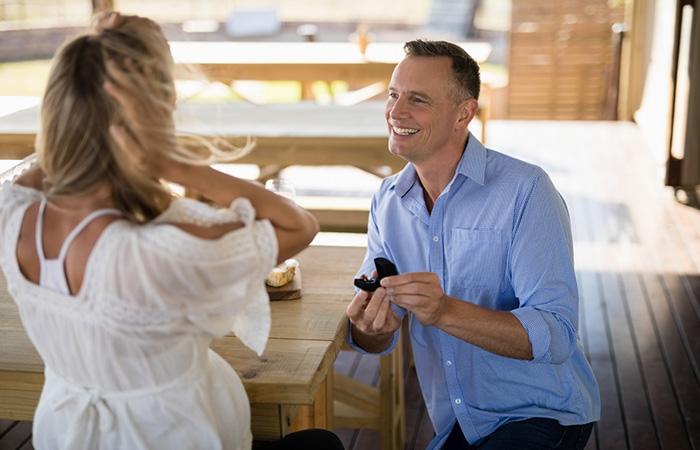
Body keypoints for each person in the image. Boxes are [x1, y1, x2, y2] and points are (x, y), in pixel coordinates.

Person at [0, 12, 344, 450]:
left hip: (63, 433)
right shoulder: (153, 254)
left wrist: (87, 86)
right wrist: (167, 159)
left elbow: (45, 164)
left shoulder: (12, 216)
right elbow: (299, 224)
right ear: (155, 114)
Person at [346, 40, 600, 450]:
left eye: (418, 99)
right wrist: (370, 327)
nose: (395, 111)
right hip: (457, 422)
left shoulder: (526, 190)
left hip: (539, 413)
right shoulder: (387, 200)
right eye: (393, 94)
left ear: (464, 113)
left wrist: (444, 310)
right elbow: (378, 338)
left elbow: (556, 334)